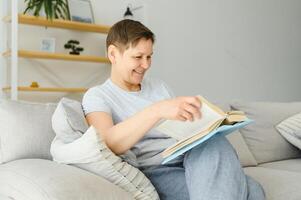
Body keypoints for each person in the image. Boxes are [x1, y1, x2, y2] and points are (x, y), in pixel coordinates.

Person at [82, 19, 265, 200]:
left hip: (189, 157)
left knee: (215, 142)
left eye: (149, 56)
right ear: (113, 54)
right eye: (138, 57)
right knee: (251, 190)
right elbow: (108, 142)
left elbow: (180, 129)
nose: (146, 65)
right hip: (157, 170)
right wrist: (156, 110)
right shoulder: (98, 95)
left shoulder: (159, 87)